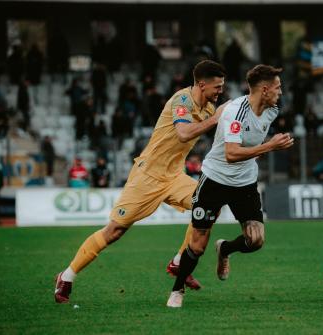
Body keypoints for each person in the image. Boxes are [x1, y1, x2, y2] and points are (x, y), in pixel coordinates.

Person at [53, 60, 228, 303]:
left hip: (174, 175)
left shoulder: (210, 107)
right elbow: (184, 133)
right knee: (115, 231)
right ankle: (67, 275)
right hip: (147, 176)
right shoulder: (182, 101)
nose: (220, 91)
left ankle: (179, 262)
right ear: (201, 84)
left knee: (210, 205)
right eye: (217, 87)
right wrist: (215, 119)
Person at [166, 64, 294, 308]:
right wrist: (270, 146)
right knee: (197, 244)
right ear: (264, 89)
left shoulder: (273, 110)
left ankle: (225, 249)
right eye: (277, 87)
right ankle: (177, 289)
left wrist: (267, 146)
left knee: (256, 240)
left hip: (244, 183)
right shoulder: (235, 112)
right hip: (215, 179)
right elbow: (231, 154)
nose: (281, 91)